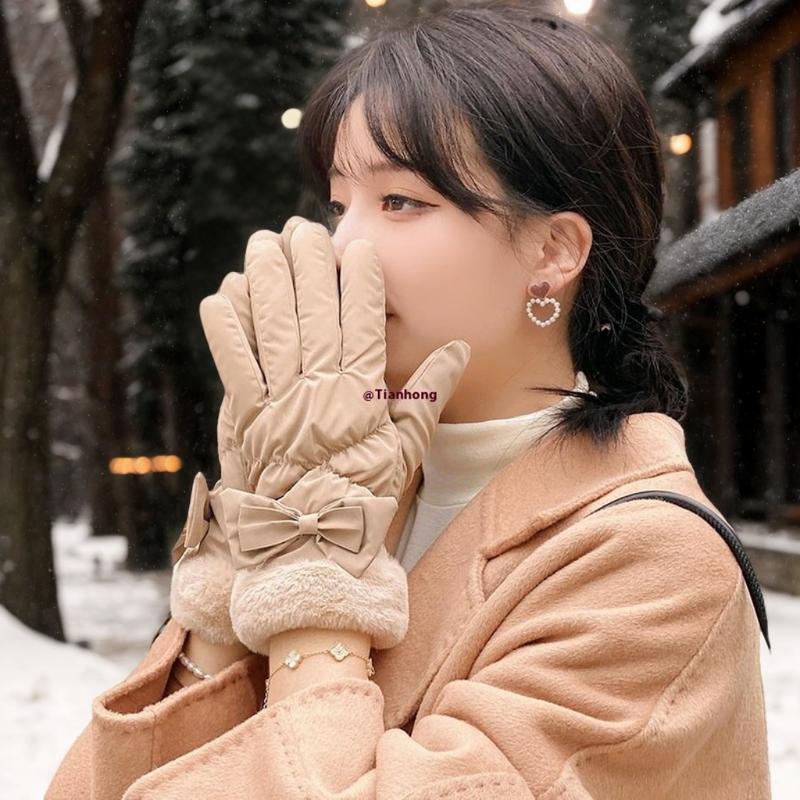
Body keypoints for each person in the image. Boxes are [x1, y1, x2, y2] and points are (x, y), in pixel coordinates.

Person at [46, 3, 771, 798]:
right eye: (338, 204)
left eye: (400, 202)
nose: (341, 247)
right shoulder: (356, 480)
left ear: (553, 251)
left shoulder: (654, 566)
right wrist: (234, 574)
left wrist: (315, 581)